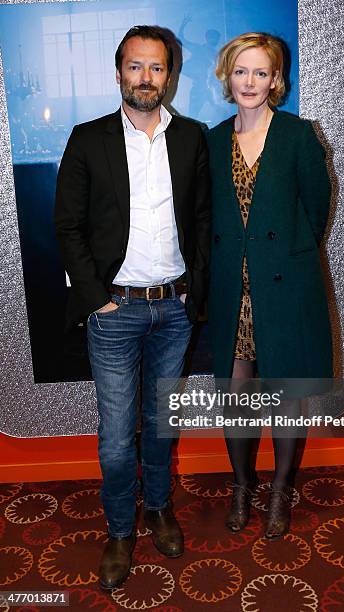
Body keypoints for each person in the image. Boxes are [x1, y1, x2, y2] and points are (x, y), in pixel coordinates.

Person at [54, 25, 210, 589]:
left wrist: (195, 285)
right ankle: (121, 530)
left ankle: (158, 510)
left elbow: (203, 220)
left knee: (161, 424)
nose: (146, 78)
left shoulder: (191, 138)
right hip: (114, 312)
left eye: (157, 67)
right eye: (136, 66)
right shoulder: (87, 138)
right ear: (119, 71)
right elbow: (67, 225)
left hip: (173, 308)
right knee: (118, 437)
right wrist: (96, 299)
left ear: (170, 75)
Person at [207, 32, 332, 539]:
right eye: (242, 71)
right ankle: (242, 484)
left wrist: (284, 256)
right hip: (232, 290)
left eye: (262, 72)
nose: (250, 82)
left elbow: (316, 211)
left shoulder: (299, 135)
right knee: (237, 395)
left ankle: (280, 489)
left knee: (283, 394)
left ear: (276, 80)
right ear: (227, 76)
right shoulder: (212, 141)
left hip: (285, 286)